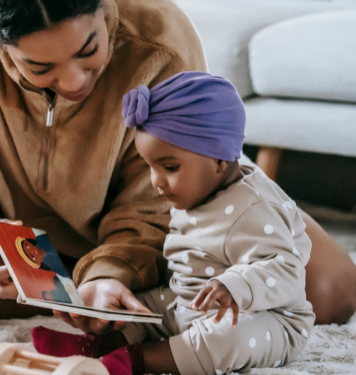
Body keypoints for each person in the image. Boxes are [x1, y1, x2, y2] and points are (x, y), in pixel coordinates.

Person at [0, 0, 356, 327]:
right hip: (19, 228)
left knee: (326, 288)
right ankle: (110, 298)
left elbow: (167, 196)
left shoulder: (158, 34)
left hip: (167, 226)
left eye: (89, 50)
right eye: (39, 67)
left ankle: (108, 292)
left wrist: (114, 271)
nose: (74, 80)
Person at [32, 72, 315, 375]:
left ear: (219, 159)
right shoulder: (196, 188)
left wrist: (234, 285)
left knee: (225, 338)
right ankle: (100, 346)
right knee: (138, 307)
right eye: (150, 166)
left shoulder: (255, 209)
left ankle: (136, 361)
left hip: (261, 316)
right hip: (188, 300)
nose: (156, 181)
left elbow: (286, 270)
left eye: (169, 167)